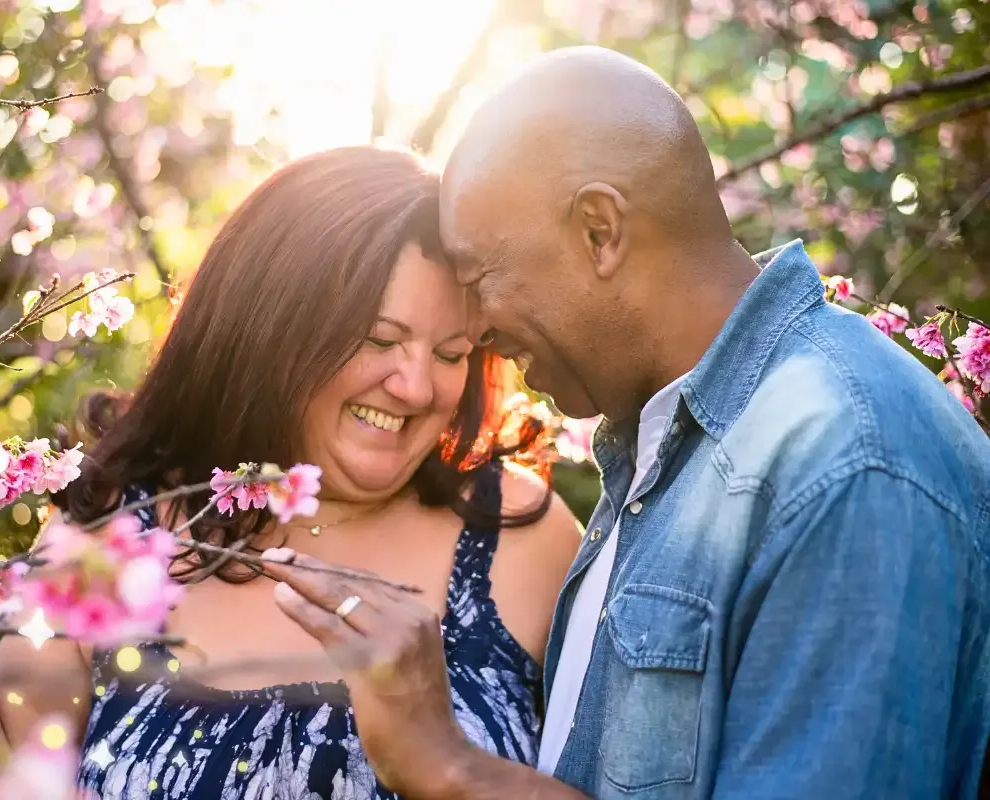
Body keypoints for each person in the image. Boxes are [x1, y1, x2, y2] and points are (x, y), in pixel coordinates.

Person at [265, 47, 990, 799]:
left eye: (479, 276)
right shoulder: (665, 449)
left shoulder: (843, 460)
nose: (473, 327)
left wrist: (451, 768)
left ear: (599, 231)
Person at [0, 146, 581, 798]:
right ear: (269, 330)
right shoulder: (119, 527)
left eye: (452, 354)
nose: (417, 387)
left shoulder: (524, 540)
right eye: (379, 339)